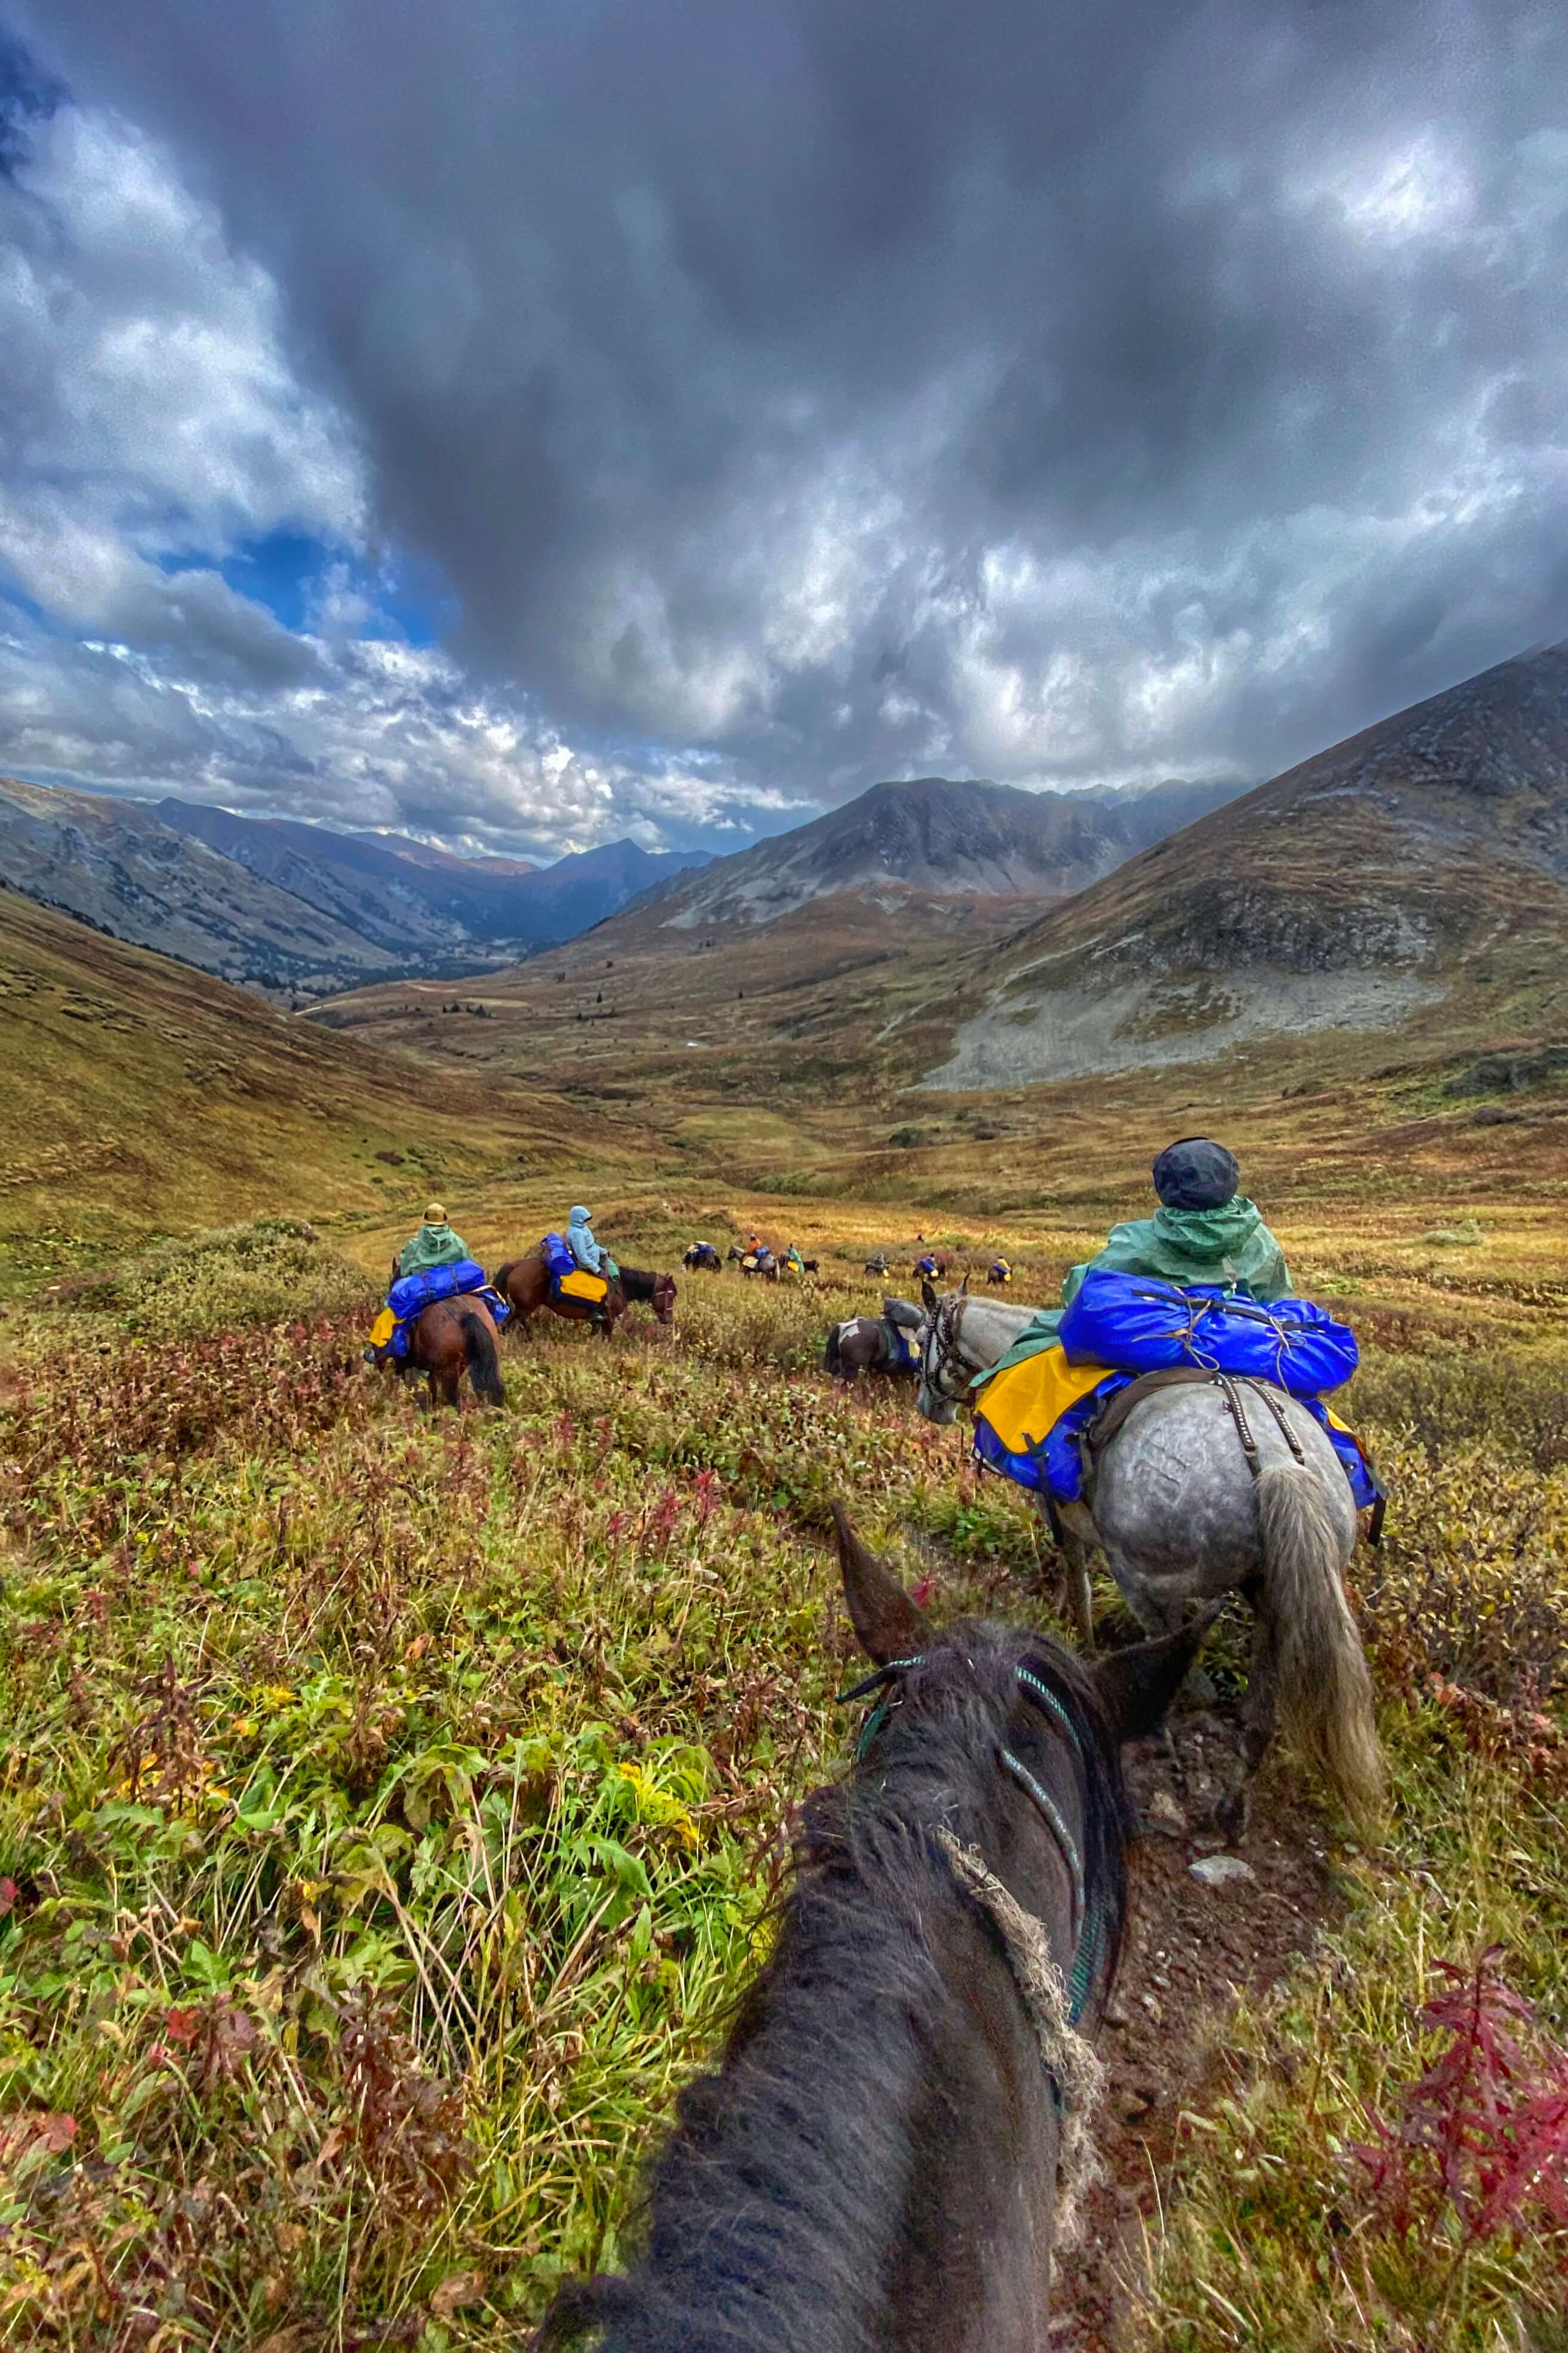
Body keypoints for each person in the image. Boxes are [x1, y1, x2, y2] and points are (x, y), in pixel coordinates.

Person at [1062, 1137, 1290, 1306]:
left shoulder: (1133, 1241)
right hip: (1241, 1344)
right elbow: (1280, 1301)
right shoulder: (1260, 1238)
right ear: (1232, 1179)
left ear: (1164, 1186)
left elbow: (1082, 1296)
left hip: (1151, 1346)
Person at [397, 1202, 469, 1279]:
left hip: (422, 1284)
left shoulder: (414, 1246)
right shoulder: (458, 1243)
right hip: (453, 1283)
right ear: (444, 1217)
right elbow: (469, 1267)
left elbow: (404, 1272)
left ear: (426, 1217)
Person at [566, 1204, 619, 1282]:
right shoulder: (577, 1234)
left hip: (595, 1257)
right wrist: (597, 1269)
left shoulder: (583, 1228)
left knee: (613, 1270)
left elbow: (591, 1245)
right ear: (578, 1219)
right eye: (584, 1220)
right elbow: (582, 1256)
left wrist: (603, 1251)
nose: (586, 1222)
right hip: (588, 1265)